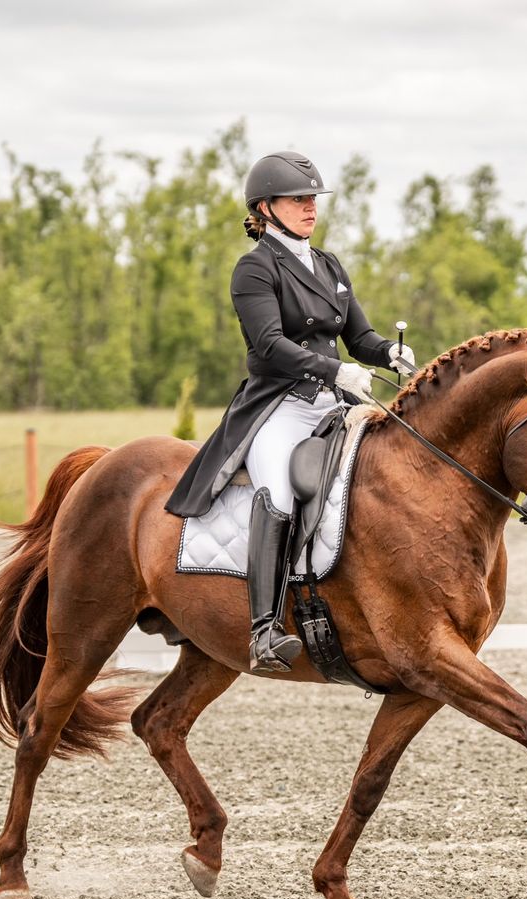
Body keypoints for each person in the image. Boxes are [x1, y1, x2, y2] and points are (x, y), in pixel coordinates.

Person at [166, 151, 416, 673]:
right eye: (298, 199)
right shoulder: (254, 269)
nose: (309, 207)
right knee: (277, 491)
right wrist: (335, 371)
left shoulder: (327, 265)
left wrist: (387, 353)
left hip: (333, 405)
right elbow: (270, 344)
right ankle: (263, 629)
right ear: (265, 207)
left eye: (312, 199)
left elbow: (359, 336)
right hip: (278, 406)